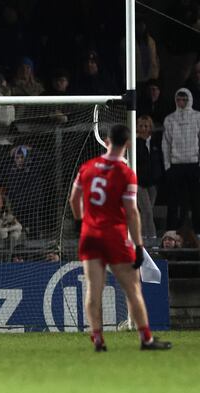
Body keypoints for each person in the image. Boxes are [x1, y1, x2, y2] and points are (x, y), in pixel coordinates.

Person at [69, 124, 171, 352]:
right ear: (128, 144)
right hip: (114, 236)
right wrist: (138, 245)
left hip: (90, 236)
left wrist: (79, 223)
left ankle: (98, 339)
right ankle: (146, 339)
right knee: (132, 288)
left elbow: (74, 198)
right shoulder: (125, 173)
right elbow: (133, 212)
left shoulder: (88, 167)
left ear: (106, 141)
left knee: (93, 289)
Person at [162, 89, 200, 233]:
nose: (182, 102)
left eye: (184, 99)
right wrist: (167, 165)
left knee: (196, 202)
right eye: (179, 100)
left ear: (189, 99)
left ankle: (198, 232)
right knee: (174, 202)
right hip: (175, 166)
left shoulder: (197, 117)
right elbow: (165, 143)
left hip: (193, 165)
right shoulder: (170, 119)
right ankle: (171, 232)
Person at [135, 115, 162, 239]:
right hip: (139, 183)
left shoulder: (155, 141)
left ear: (150, 127)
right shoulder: (135, 143)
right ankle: (151, 238)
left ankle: (141, 236)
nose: (143, 129)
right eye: (141, 126)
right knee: (147, 211)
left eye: (146, 126)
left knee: (147, 212)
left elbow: (158, 161)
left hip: (152, 183)